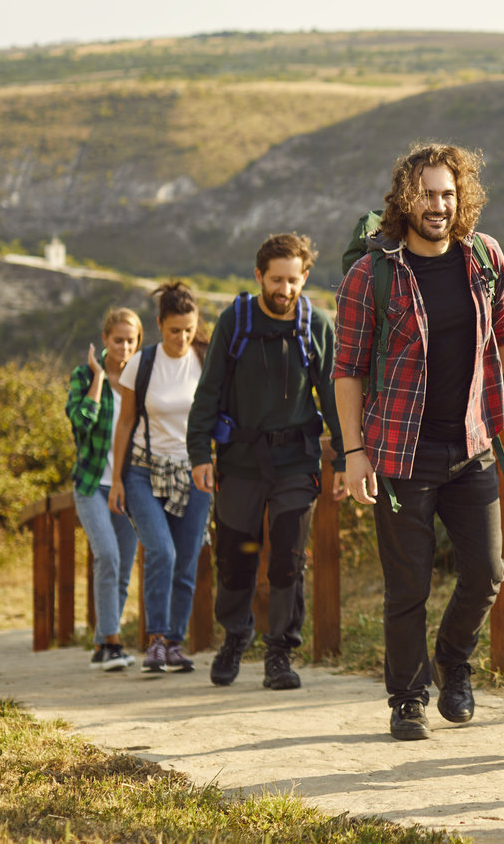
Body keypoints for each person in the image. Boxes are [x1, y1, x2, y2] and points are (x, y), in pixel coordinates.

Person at [334, 141, 504, 741]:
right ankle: (406, 698)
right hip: (400, 454)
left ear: (462, 198)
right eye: (427, 194)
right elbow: (346, 367)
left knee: (488, 571)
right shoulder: (370, 274)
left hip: (473, 444)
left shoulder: (483, 256)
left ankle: (453, 661)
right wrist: (354, 454)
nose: (438, 205)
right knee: (408, 587)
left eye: (448, 194)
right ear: (406, 198)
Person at [186, 233, 345, 691]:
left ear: (305, 277)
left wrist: (348, 457)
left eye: (293, 280)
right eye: (276, 280)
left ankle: (280, 652)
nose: (285, 289)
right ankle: (236, 636)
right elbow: (209, 392)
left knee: (289, 559)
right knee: (235, 558)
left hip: (298, 459)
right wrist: (201, 454)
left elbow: (334, 397)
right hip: (240, 461)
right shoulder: (235, 321)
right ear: (259, 276)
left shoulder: (316, 326)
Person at [110, 281, 213, 675]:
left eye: (189, 329)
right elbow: (124, 423)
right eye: (174, 330)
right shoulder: (143, 363)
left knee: (186, 559)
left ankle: (174, 643)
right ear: (159, 325)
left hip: (193, 471)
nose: (182, 337)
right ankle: (154, 642)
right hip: (142, 470)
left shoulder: (204, 359)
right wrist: (117, 480)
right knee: (162, 552)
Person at [65, 305, 143, 671]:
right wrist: (98, 377)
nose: (124, 347)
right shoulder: (83, 375)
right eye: (118, 340)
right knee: (107, 556)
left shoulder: (139, 381)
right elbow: (81, 421)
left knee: (122, 567)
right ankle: (112, 643)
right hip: (93, 484)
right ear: (105, 340)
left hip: (128, 488)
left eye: (131, 341)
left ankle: (103, 645)